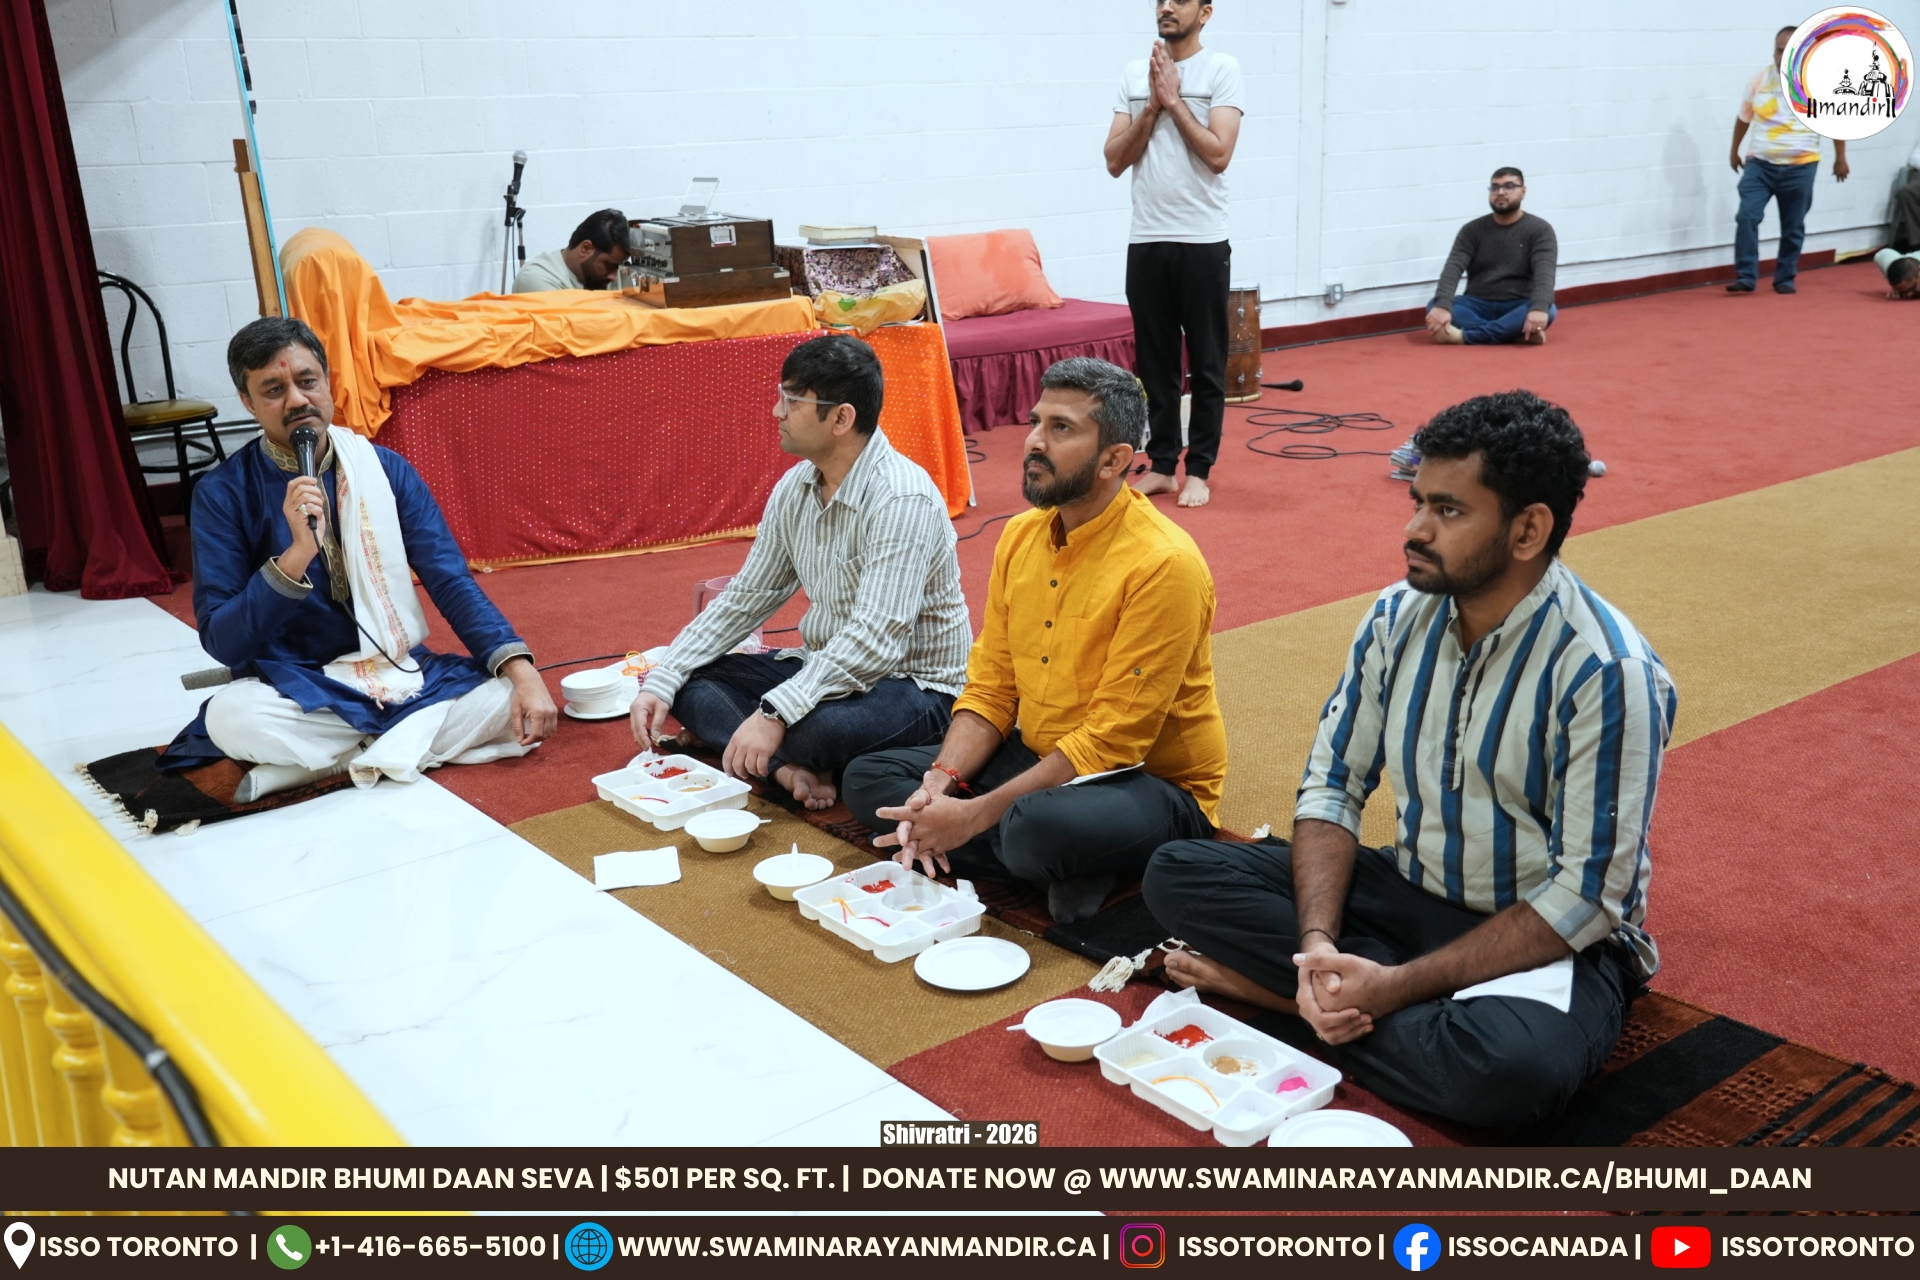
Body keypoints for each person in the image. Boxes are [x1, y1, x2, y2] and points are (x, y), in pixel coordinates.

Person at [1143, 390, 1676, 1130]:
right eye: (1418, 501)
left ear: (1528, 530)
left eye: (1448, 511)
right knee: (1178, 870)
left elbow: (1585, 899)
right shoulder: (1397, 617)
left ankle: (1291, 1001)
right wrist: (1317, 944)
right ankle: (1345, 990)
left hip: (1542, 935)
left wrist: (1388, 986)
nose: (1414, 528)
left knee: (1510, 1078)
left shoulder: (1607, 673)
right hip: (1411, 890)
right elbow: (1332, 788)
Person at [844, 357, 1226, 924]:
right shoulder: (1020, 537)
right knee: (869, 779)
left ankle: (1040, 850)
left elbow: (1112, 741)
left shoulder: (1163, 564)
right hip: (1043, 756)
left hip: (1147, 782)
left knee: (1035, 829)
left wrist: (976, 814)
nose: (1034, 442)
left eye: (1061, 428)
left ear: (1114, 460)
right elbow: (993, 687)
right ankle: (1068, 862)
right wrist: (940, 785)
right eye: (1035, 422)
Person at [163, 318, 557, 802]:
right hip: (297, 684)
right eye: (274, 390)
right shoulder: (222, 493)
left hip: (398, 672)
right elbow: (223, 640)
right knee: (233, 717)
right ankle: (396, 747)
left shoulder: (385, 470)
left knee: (507, 697)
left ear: (327, 381)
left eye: (307, 381)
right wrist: (295, 556)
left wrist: (521, 669)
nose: (297, 401)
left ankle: (335, 762)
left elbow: (450, 581)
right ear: (247, 402)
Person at [631, 335, 970, 811]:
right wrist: (664, 677)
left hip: (913, 687)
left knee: (816, 729)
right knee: (686, 679)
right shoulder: (795, 487)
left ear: (841, 418)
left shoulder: (901, 498)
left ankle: (774, 751)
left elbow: (875, 641)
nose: (777, 412)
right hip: (824, 668)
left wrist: (775, 712)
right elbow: (746, 597)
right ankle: (786, 769)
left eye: (791, 401)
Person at [1104, 0, 1243, 509]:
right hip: (1146, 239)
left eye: (1180, 0)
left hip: (1202, 240)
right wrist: (1152, 106)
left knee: (1206, 363)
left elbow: (1219, 153)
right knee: (1155, 364)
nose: (1166, 6)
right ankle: (1163, 465)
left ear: (1204, 13)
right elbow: (1114, 159)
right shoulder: (1132, 74)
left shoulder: (1222, 69)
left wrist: (1174, 100)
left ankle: (1199, 469)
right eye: (1161, 0)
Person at [1729, 26, 1849, 295]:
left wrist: (1841, 158)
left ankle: (1785, 277)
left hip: (1801, 165)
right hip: (1760, 163)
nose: (1781, 56)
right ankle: (1746, 275)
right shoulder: (1758, 81)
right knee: (1747, 216)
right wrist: (1734, 150)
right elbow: (1743, 118)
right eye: (1778, 50)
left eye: (1788, 51)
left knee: (1793, 226)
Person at [1425, 168, 1558, 346]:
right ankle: (1512, 333)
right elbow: (1453, 268)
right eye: (1495, 187)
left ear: (1523, 191)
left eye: (1509, 186)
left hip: (1518, 305)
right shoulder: (1472, 230)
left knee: (1548, 310)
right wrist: (1442, 306)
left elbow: (1545, 274)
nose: (1500, 192)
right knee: (1434, 305)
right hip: (1476, 304)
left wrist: (1539, 308)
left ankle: (1464, 337)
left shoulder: (1540, 230)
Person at [511, 208, 629, 293]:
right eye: (609, 266)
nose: (614, 277)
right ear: (585, 248)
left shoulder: (608, 275)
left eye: (619, 266)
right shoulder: (537, 278)